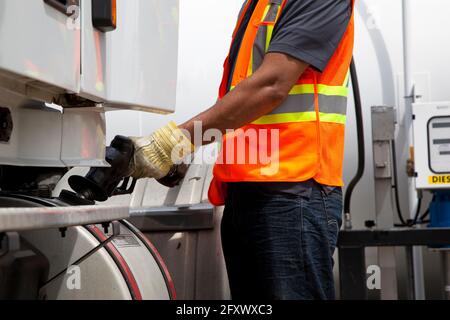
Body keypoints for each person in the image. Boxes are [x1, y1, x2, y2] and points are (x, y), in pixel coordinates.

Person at [129, 0, 354, 300]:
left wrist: (176, 143)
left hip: (293, 193)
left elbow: (271, 84)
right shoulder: (258, 4)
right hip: (250, 194)